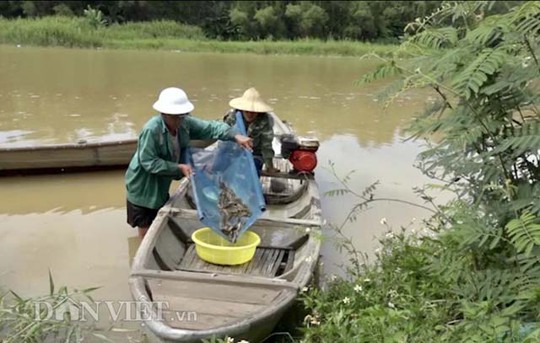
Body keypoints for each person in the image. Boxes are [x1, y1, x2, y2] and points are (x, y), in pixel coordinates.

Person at [125, 87, 252, 238]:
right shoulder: (152, 130)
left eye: (182, 116)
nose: (179, 119)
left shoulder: (184, 123)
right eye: (175, 116)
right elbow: (148, 162)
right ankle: (143, 243)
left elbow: (211, 128)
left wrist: (235, 135)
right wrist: (178, 167)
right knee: (145, 221)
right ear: (164, 114)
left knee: (158, 208)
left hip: (161, 181)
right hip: (143, 184)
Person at [223, 87, 278, 176]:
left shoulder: (265, 121)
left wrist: (269, 166)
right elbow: (223, 137)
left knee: (253, 172)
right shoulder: (232, 117)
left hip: (254, 153)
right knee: (219, 169)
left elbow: (266, 145)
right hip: (233, 151)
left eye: (253, 112)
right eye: (247, 111)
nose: (250, 114)